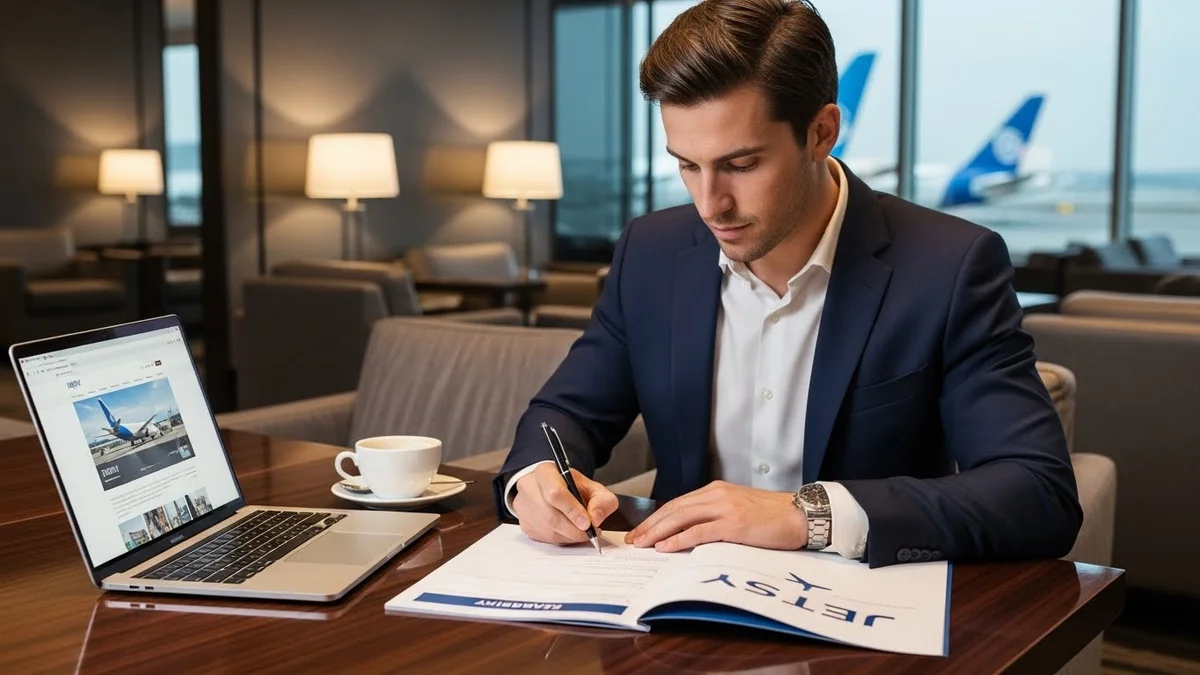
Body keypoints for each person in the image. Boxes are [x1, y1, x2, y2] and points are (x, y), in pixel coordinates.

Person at [494, 0, 1081, 567]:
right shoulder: (652, 252)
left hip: (862, 618)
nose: (709, 203)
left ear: (822, 132)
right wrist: (535, 481)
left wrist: (807, 516)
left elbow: (1038, 492)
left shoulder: (951, 265)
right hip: (673, 605)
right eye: (687, 164)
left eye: (742, 165)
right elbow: (565, 412)